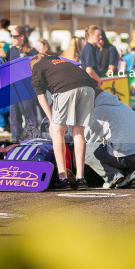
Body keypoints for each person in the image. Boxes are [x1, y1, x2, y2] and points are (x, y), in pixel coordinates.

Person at [31, 52, 99, 190]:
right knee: (79, 133)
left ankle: (63, 178)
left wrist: (51, 120)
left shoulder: (37, 66)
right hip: (88, 87)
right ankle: (81, 179)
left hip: (65, 89)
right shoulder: (62, 62)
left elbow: (41, 96)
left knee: (57, 133)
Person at [83, 90, 135, 189]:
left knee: (84, 149)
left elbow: (89, 138)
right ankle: (131, 173)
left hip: (123, 157)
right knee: (116, 148)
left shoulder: (99, 110)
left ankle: (112, 176)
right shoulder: (125, 106)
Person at [5, 25, 40, 140]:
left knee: (30, 117)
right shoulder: (11, 51)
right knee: (14, 117)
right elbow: (6, 67)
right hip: (13, 88)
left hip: (27, 88)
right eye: (11, 36)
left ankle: (32, 140)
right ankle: (14, 141)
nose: (13, 38)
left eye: (15, 36)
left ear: (22, 36)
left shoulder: (31, 51)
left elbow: (37, 69)